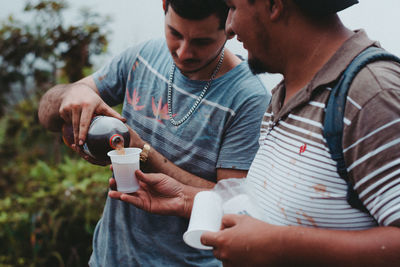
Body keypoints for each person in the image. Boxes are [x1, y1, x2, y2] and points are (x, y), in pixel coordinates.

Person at [109, 0, 400, 266]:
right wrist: (189, 200)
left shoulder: (371, 94)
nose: (230, 28)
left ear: (273, 5)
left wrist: (280, 246)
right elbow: (269, 213)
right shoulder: (283, 95)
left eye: (233, 7)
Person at [38, 0, 271, 265]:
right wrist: (70, 94)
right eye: (175, 34)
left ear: (230, 26)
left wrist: (143, 151)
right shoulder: (144, 57)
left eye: (201, 42)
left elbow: (232, 207)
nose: (183, 52)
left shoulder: (248, 99)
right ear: (164, 6)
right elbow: (46, 116)